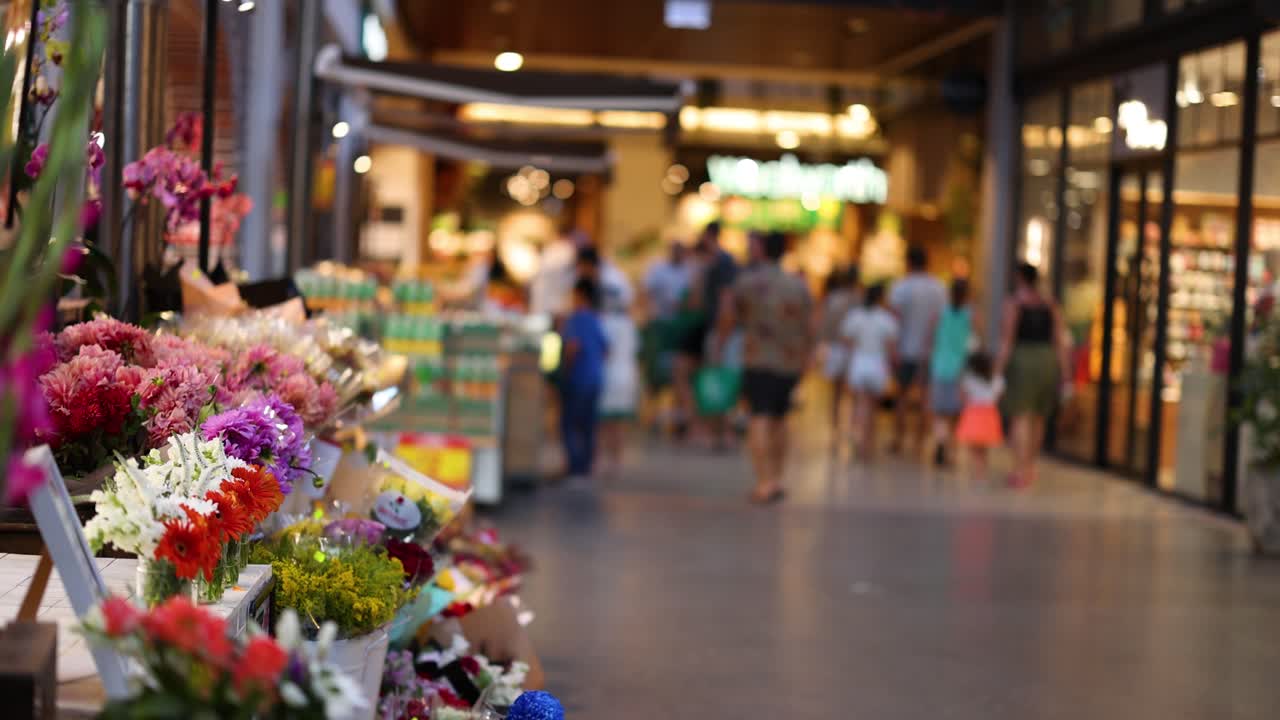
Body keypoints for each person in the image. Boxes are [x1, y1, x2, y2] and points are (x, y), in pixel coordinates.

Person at [715, 231, 813, 504]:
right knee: (780, 417)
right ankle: (777, 477)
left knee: (759, 416)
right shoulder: (798, 285)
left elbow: (728, 316)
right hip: (789, 361)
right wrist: (808, 355)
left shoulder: (746, 283)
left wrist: (720, 347)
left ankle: (764, 481)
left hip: (757, 357)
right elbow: (809, 325)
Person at [995, 262, 1070, 488]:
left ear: (1019, 277)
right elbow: (1060, 341)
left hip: (1023, 360)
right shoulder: (1051, 304)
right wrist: (1066, 375)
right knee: (1038, 417)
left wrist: (997, 373)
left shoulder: (1014, 303)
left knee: (1020, 416)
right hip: (1047, 361)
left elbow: (1007, 341)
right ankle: (1030, 466)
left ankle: (1019, 470)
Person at [674, 222, 738, 445]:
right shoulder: (712, 264)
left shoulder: (722, 263)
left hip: (717, 329)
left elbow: (724, 300)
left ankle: (720, 430)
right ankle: (711, 428)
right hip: (709, 328)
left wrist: (721, 335)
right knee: (700, 374)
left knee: (716, 378)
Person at [888, 246, 946, 456]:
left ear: (909, 262)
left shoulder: (901, 287)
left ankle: (898, 438)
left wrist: (893, 348)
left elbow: (894, 319)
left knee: (902, 396)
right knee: (925, 398)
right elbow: (941, 320)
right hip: (930, 351)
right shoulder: (938, 288)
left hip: (904, 349)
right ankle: (919, 442)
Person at [558, 277, 609, 482]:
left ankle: (575, 467)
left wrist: (565, 370)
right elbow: (606, 349)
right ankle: (586, 467)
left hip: (578, 379)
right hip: (595, 379)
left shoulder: (576, 320)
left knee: (570, 424)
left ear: (580, 296)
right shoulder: (596, 320)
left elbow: (572, 347)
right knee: (588, 425)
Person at [842, 284, 899, 459]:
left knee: (860, 404)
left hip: (859, 362)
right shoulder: (885, 319)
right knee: (871, 406)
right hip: (877, 363)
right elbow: (891, 345)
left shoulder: (855, 316)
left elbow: (846, 339)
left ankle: (858, 438)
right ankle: (867, 443)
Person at [927, 278, 973, 467]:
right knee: (955, 414)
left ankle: (941, 441)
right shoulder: (970, 316)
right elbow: (975, 342)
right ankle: (951, 452)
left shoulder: (940, 314)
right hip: (959, 369)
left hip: (939, 366)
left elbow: (931, 339)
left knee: (939, 411)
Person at [598, 280, 640, 476]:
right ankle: (617, 460)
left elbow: (606, 351)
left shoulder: (604, 322)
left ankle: (604, 460)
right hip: (626, 376)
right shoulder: (628, 324)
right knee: (619, 423)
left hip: (609, 375)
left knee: (605, 423)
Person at [818, 267, 861, 442]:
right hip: (854, 349)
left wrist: (824, 342)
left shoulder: (834, 299)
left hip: (837, 347)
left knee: (836, 391)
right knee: (854, 392)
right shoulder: (859, 300)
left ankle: (835, 427)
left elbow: (826, 324)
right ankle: (852, 428)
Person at [954, 352, 1005, 478]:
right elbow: (999, 397)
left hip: (973, 413)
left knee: (973, 443)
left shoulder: (969, 379)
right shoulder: (996, 379)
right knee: (984, 444)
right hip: (990, 414)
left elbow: (962, 396)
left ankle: (976, 467)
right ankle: (982, 466)